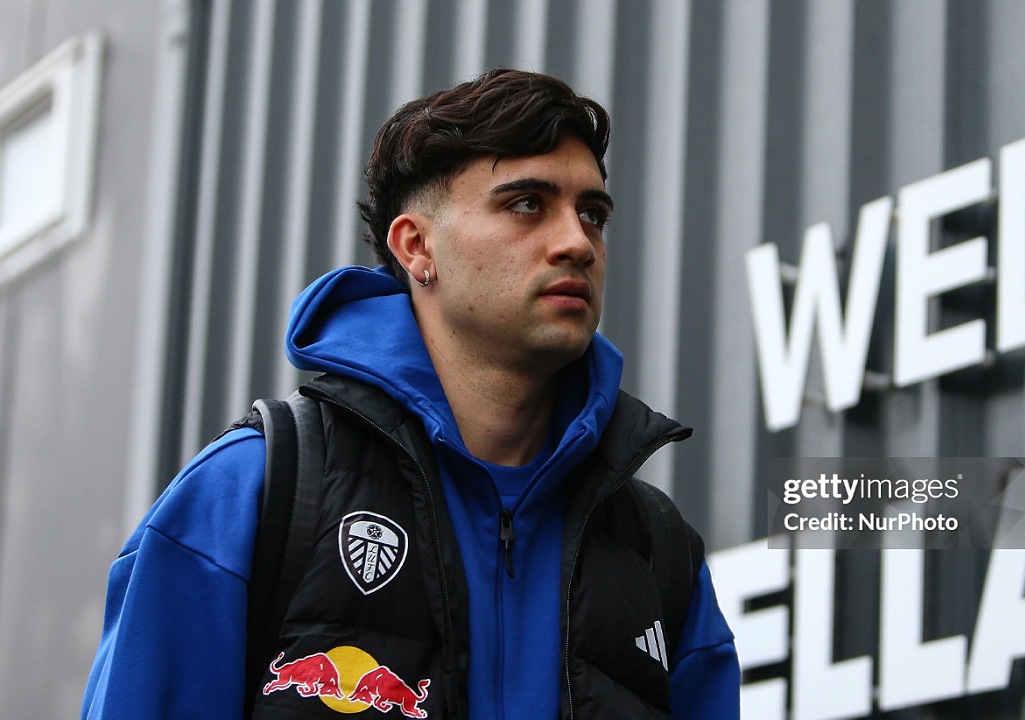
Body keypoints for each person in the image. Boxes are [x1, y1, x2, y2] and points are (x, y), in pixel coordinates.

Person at [81, 69, 739, 719]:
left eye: (591, 213)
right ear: (416, 245)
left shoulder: (659, 555)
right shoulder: (250, 493)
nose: (577, 243)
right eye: (526, 204)